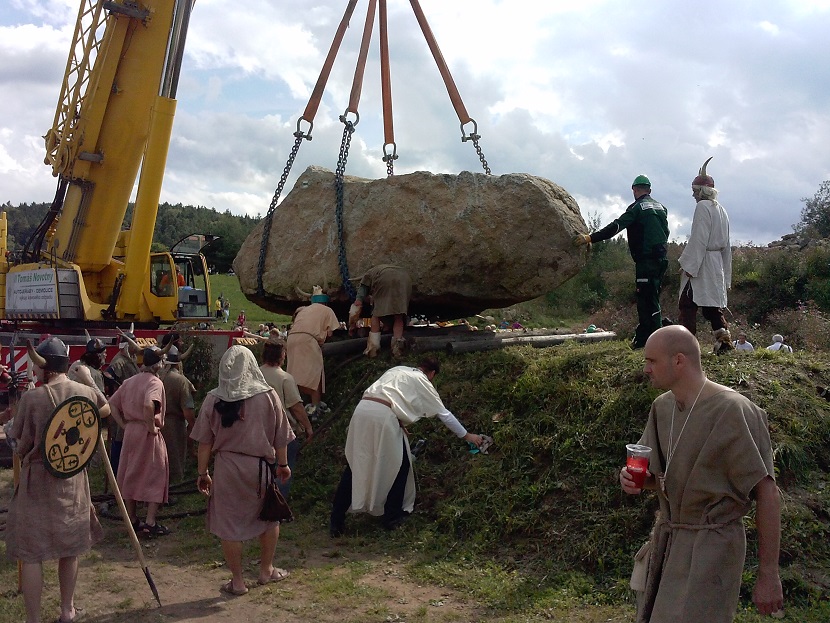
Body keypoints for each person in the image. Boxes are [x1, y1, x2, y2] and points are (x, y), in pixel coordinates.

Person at [620, 325, 783, 622]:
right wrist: (637, 481)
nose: (646, 369)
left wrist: (769, 574)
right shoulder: (662, 408)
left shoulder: (734, 410)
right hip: (669, 542)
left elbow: (767, 494)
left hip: (712, 549)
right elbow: (663, 479)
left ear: (678, 360)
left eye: (652, 361)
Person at [6, 338, 110, 623]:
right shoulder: (85, 392)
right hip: (72, 478)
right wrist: (88, 380)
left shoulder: (32, 398)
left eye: (36, 366)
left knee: (31, 553)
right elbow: (105, 409)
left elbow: (20, 442)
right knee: (70, 547)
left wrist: (10, 430)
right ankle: (67, 610)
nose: (34, 370)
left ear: (45, 367)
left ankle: (34, 619)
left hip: (37, 480)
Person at [330, 357, 484, 536]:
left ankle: (336, 521)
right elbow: (444, 414)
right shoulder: (422, 380)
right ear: (432, 374)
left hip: (362, 411)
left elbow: (390, 397)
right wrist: (467, 435)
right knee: (400, 466)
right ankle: (391, 517)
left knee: (356, 465)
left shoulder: (397, 370)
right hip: (383, 417)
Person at [190, 346, 295, 595]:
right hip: (259, 468)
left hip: (226, 468)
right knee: (268, 517)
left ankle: (237, 582)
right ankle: (266, 570)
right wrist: (283, 464)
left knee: (228, 524)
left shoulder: (213, 399)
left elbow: (204, 442)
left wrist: (203, 473)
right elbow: (281, 436)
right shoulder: (268, 396)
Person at [573, 175, 669, 349]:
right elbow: (666, 232)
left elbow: (616, 226)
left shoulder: (637, 208)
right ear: (649, 190)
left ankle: (650, 341)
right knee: (653, 296)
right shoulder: (662, 208)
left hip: (645, 260)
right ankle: (651, 338)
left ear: (634, 190)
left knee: (646, 300)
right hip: (661, 260)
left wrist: (590, 238)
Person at [108, 346, 171, 537]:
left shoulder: (129, 381)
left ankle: (132, 518)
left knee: (131, 472)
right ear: (158, 364)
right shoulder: (155, 382)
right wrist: (151, 426)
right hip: (146, 432)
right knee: (155, 472)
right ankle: (150, 522)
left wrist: (123, 425)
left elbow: (111, 404)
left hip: (131, 432)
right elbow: (148, 404)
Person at [677, 157, 733, 351]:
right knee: (712, 306)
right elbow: (727, 245)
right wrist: (725, 271)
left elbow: (699, 238)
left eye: (695, 191)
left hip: (702, 263)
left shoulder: (702, 207)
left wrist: (690, 266)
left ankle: (687, 346)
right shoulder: (722, 210)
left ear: (702, 191)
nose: (693, 195)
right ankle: (724, 341)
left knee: (687, 304)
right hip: (715, 263)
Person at [260, 336, 313, 499]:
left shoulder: (255, 375)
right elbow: (296, 407)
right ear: (282, 355)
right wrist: (308, 427)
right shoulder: (284, 378)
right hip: (282, 432)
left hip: (257, 431)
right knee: (283, 472)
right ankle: (277, 504)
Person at [286, 297, 340, 419]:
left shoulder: (303, 310)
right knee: (315, 374)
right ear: (325, 303)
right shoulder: (327, 310)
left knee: (294, 373)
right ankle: (315, 406)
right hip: (308, 340)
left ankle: (296, 405)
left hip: (291, 338)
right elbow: (331, 332)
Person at [349, 264, 413, 358]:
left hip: (384, 279)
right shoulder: (378, 271)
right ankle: (397, 350)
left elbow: (359, 298)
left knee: (376, 314)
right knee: (399, 314)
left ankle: (373, 349)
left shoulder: (368, 275)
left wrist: (352, 324)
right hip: (405, 279)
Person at [103, 329, 142, 474]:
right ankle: (116, 471)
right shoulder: (119, 362)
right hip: (121, 407)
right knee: (119, 439)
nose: (136, 345)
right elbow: (108, 377)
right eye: (134, 342)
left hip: (129, 406)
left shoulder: (130, 359)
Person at [160, 345, 196, 485]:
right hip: (174, 424)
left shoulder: (156, 377)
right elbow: (188, 409)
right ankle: (174, 485)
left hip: (156, 422)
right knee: (175, 456)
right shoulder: (180, 380)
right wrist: (193, 425)